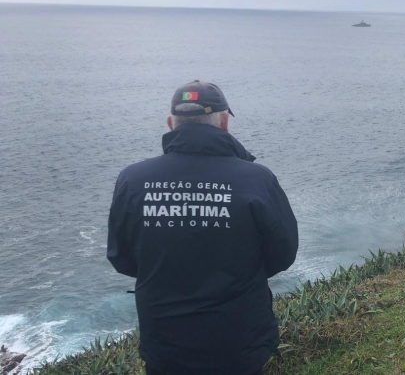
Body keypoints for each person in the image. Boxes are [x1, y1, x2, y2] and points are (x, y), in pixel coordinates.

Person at [107, 80, 298, 375]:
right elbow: (283, 253)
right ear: (223, 122)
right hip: (238, 338)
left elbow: (121, 257)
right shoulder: (256, 179)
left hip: (165, 339)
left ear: (171, 124)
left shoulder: (132, 180)